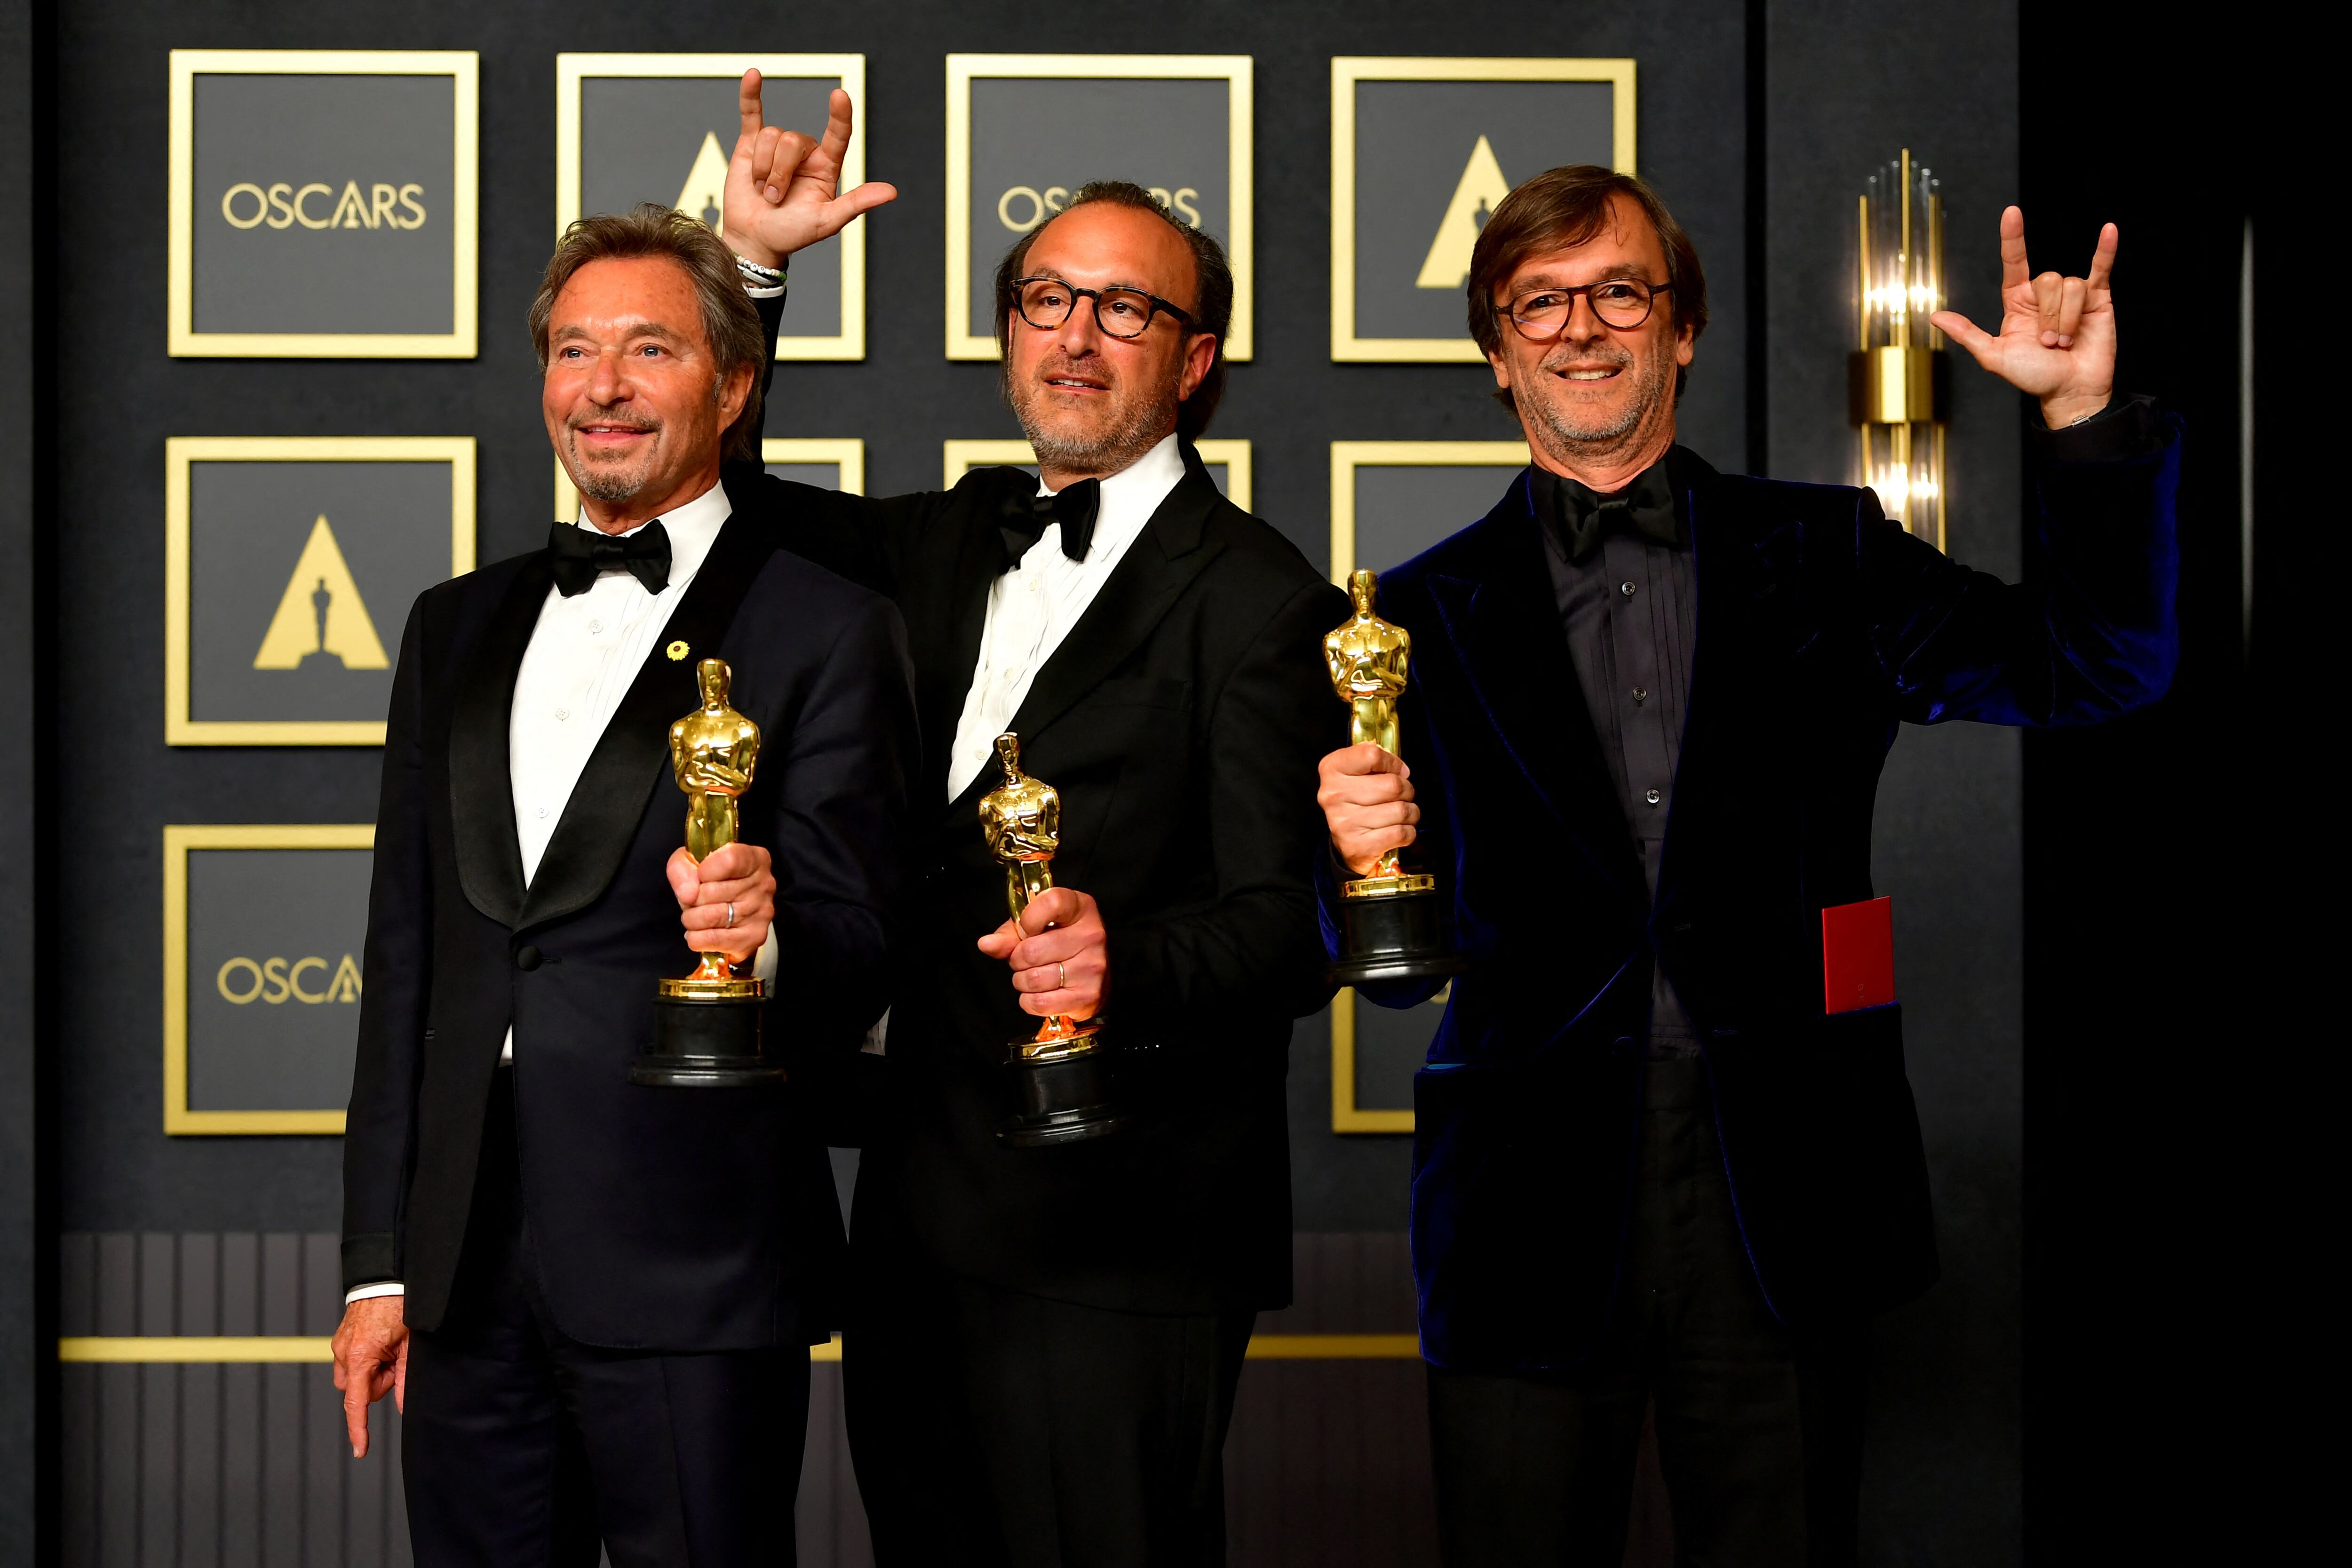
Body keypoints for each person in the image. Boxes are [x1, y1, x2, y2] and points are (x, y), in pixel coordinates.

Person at [1313, 166, 2177, 1566]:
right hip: (1527, 1211)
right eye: (1539, 303)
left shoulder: (1828, 553)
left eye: (1620, 292)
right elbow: (1378, 966)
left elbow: (2098, 667)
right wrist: (1351, 856)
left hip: (1789, 1191)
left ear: (1683, 326)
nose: (1581, 328)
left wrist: (2081, 420)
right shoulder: (1405, 623)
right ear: (1496, 353)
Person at [723, 74, 1348, 1566]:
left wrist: (1124, 960)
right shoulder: (944, 535)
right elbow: (725, 509)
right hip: (915, 1217)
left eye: (1124, 310)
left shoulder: (1266, 603)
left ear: (1194, 360)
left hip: (1125, 1238)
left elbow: (1295, 926)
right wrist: (750, 271)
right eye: (1047, 299)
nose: (1075, 334)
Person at [330, 191, 915, 1565]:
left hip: (697, 1258)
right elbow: (408, 962)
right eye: (575, 350)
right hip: (464, 1268)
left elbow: (866, 941)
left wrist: (763, 940)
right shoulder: (452, 623)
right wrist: (379, 1267)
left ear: (734, 386)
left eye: (650, 349)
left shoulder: (830, 627)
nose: (603, 387)